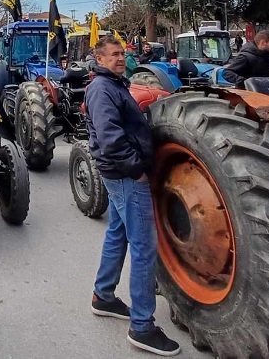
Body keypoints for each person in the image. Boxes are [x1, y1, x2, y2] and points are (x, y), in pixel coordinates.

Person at [84, 35, 181, 356]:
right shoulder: (102, 89)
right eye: (112, 55)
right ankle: (142, 326)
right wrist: (137, 169)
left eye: (121, 54)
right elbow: (110, 138)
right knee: (144, 246)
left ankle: (104, 295)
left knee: (118, 233)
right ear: (99, 59)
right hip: (125, 174)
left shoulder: (115, 84)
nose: (118, 58)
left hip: (119, 174)